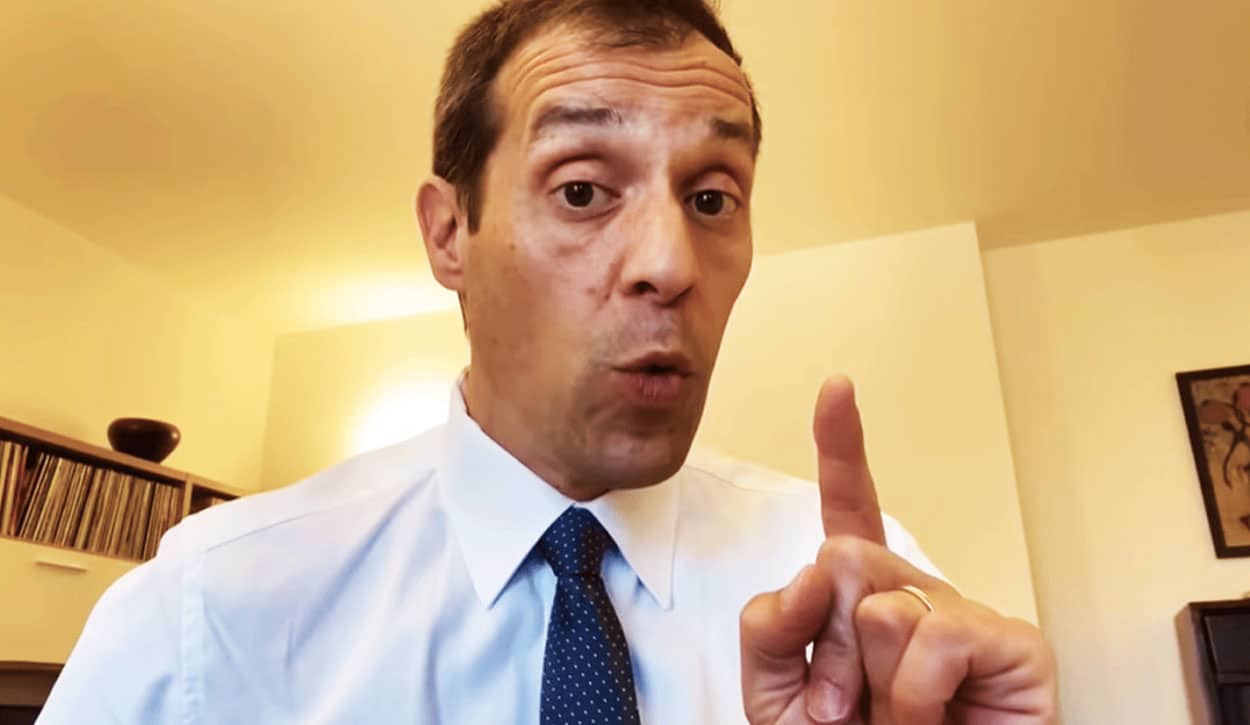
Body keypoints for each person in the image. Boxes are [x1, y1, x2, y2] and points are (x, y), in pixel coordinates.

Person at [38, 1, 1057, 723]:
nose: (670, 264)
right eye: (580, 190)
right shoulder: (205, 614)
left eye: (712, 198)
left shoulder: (859, 605)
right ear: (449, 235)